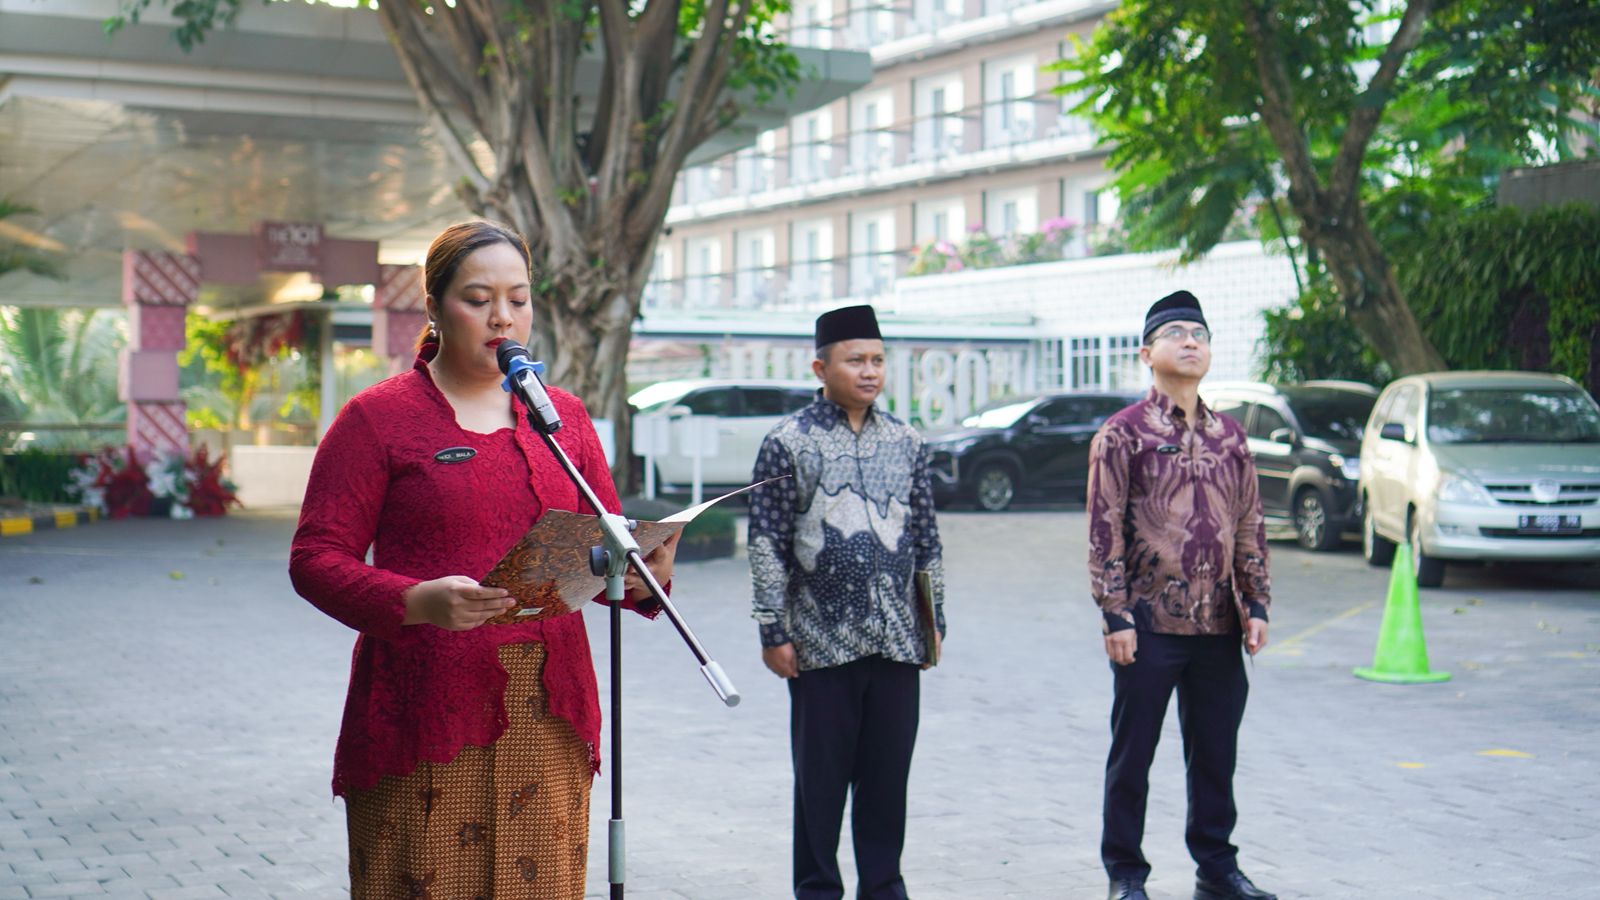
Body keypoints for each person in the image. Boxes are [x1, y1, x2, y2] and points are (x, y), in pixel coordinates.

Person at [288, 220, 676, 898]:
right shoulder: (376, 420)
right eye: (478, 298)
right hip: (425, 712)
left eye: (519, 298)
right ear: (434, 306)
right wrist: (415, 601)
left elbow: (604, 548)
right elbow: (315, 558)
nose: (504, 316)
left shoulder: (565, 420)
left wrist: (647, 574)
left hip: (550, 715)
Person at [747, 304, 946, 900]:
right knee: (821, 784)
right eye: (855, 360)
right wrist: (772, 630)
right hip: (818, 644)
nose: (869, 371)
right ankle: (817, 890)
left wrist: (933, 625)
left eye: (878, 360)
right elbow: (766, 542)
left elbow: (928, 540)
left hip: (896, 642)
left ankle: (884, 888)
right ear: (821, 366)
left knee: (888, 782)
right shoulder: (788, 442)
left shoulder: (907, 442)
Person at [1085, 290, 1276, 900]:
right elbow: (1103, 527)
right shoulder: (1123, 435)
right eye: (1175, 333)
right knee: (1132, 757)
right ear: (1148, 353)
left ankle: (1217, 868)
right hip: (1147, 623)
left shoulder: (1231, 436)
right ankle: (1125, 875)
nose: (1191, 341)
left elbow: (1249, 522)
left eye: (1200, 333)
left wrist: (1257, 602)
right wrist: (1114, 613)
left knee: (1215, 755)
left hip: (1218, 624)